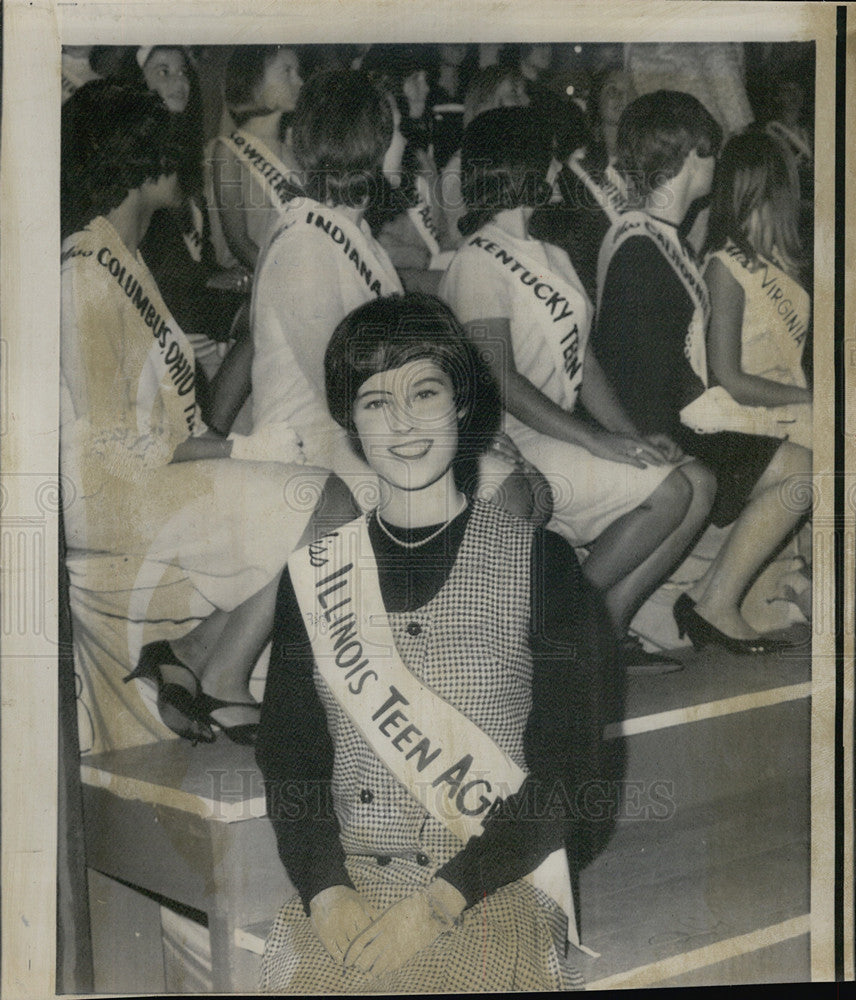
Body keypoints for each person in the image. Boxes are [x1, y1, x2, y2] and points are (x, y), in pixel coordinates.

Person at [256, 293, 615, 992]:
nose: (403, 424)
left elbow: (570, 769)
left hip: (493, 885)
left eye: (424, 392)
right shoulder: (314, 576)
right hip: (351, 889)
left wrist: (442, 901)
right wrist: (325, 889)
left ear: (460, 403)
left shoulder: (543, 565)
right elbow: (289, 759)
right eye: (373, 403)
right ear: (350, 423)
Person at [60, 81, 355, 752]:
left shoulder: (121, 255)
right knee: (326, 502)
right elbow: (117, 448)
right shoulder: (83, 269)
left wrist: (241, 450)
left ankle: (196, 653)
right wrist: (243, 454)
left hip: (148, 481)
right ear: (139, 159)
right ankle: (218, 667)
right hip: (116, 500)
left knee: (328, 494)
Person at [440, 106, 715, 671]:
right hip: (512, 438)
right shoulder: (476, 260)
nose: (559, 167)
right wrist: (597, 444)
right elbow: (499, 379)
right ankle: (563, 625)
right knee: (670, 494)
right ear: (521, 164)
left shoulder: (553, 252)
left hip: (559, 431)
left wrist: (630, 436)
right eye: (549, 156)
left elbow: (584, 364)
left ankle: (604, 631)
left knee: (696, 481)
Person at [252, 69, 543, 520]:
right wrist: (451, 434)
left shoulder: (355, 231)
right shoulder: (305, 243)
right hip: (314, 451)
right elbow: (344, 390)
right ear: (366, 140)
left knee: (519, 489)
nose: (404, 143)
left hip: (367, 429)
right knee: (508, 495)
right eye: (395, 131)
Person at [594, 91, 810, 653]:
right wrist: (646, 437)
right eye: (710, 154)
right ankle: (708, 603)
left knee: (799, 463)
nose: (717, 167)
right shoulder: (641, 248)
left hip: (687, 420)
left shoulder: (666, 242)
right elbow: (630, 363)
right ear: (691, 155)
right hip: (666, 428)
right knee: (798, 467)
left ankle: (716, 600)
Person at [676, 128, 812, 646]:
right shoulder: (725, 266)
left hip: (778, 411)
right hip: (738, 416)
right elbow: (727, 376)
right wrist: (809, 399)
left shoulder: (781, 263)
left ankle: (742, 589)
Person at [207, 45, 305, 273]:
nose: (299, 81)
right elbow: (238, 242)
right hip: (260, 282)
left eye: (297, 72)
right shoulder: (229, 150)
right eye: (287, 71)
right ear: (254, 80)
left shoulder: (292, 149)